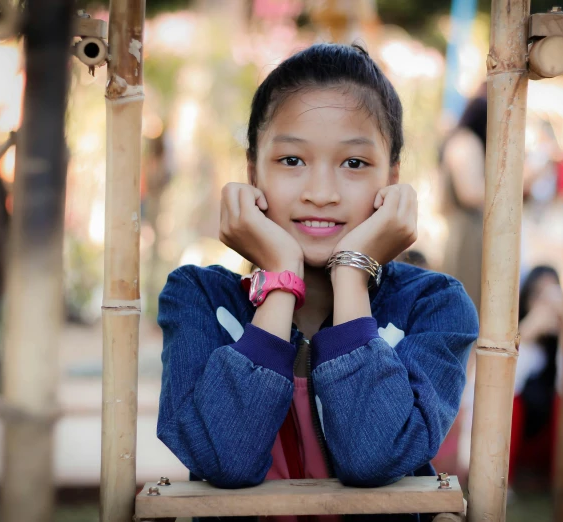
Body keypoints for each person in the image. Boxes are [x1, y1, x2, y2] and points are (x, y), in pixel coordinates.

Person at [156, 44, 478, 522]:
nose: (321, 193)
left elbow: (375, 457)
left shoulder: (433, 306)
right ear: (252, 173)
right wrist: (280, 279)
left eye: (354, 164)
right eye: (291, 160)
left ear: (392, 181)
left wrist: (352, 272)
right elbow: (224, 459)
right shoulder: (198, 298)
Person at [509, 266, 563, 489]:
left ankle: (558, 479)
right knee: (512, 404)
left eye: (551, 295)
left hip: (549, 434)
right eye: (537, 294)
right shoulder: (513, 331)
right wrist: (527, 333)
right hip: (519, 434)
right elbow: (506, 387)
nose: (545, 304)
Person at [438, 92, 486, 311]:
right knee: (465, 303)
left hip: (468, 231)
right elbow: (470, 193)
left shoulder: (462, 140)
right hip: (466, 233)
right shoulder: (465, 142)